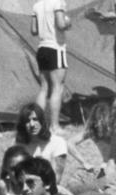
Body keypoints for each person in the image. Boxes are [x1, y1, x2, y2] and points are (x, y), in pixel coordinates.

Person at [32, 0, 71, 129]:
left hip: (42, 48)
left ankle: (38, 124)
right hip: (56, 47)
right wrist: (68, 23)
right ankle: (54, 126)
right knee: (57, 87)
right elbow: (60, 24)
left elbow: (33, 30)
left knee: (44, 87)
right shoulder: (58, 3)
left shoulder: (36, 5)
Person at [15, 103, 68, 180]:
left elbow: (56, 179)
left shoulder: (58, 143)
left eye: (35, 119)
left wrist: (30, 178)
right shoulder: (18, 145)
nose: (32, 124)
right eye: (27, 121)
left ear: (42, 121)